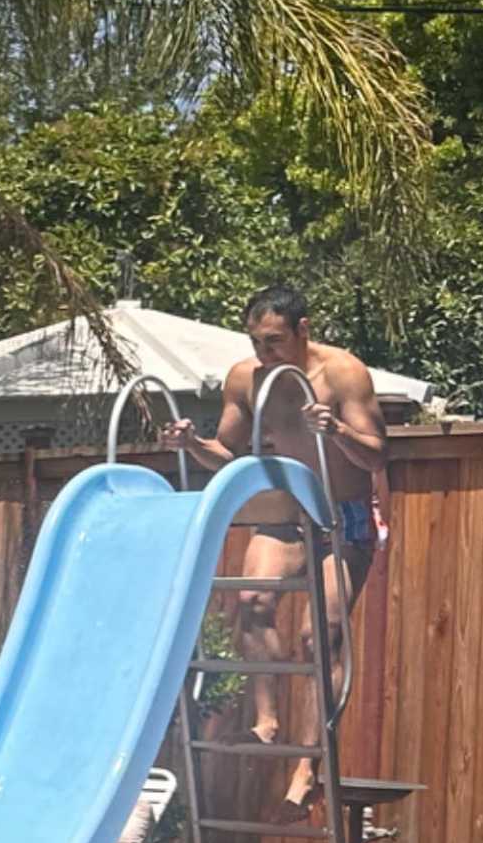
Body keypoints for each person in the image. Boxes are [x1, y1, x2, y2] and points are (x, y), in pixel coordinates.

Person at [164, 286, 388, 806]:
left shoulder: (343, 374)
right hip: (289, 511)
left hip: (345, 516)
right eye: (257, 342)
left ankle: (309, 765)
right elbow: (228, 453)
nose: (265, 354)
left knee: (319, 637)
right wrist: (191, 444)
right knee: (251, 601)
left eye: (274, 342)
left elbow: (378, 456)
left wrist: (335, 432)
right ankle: (267, 720)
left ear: (303, 330)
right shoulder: (247, 378)